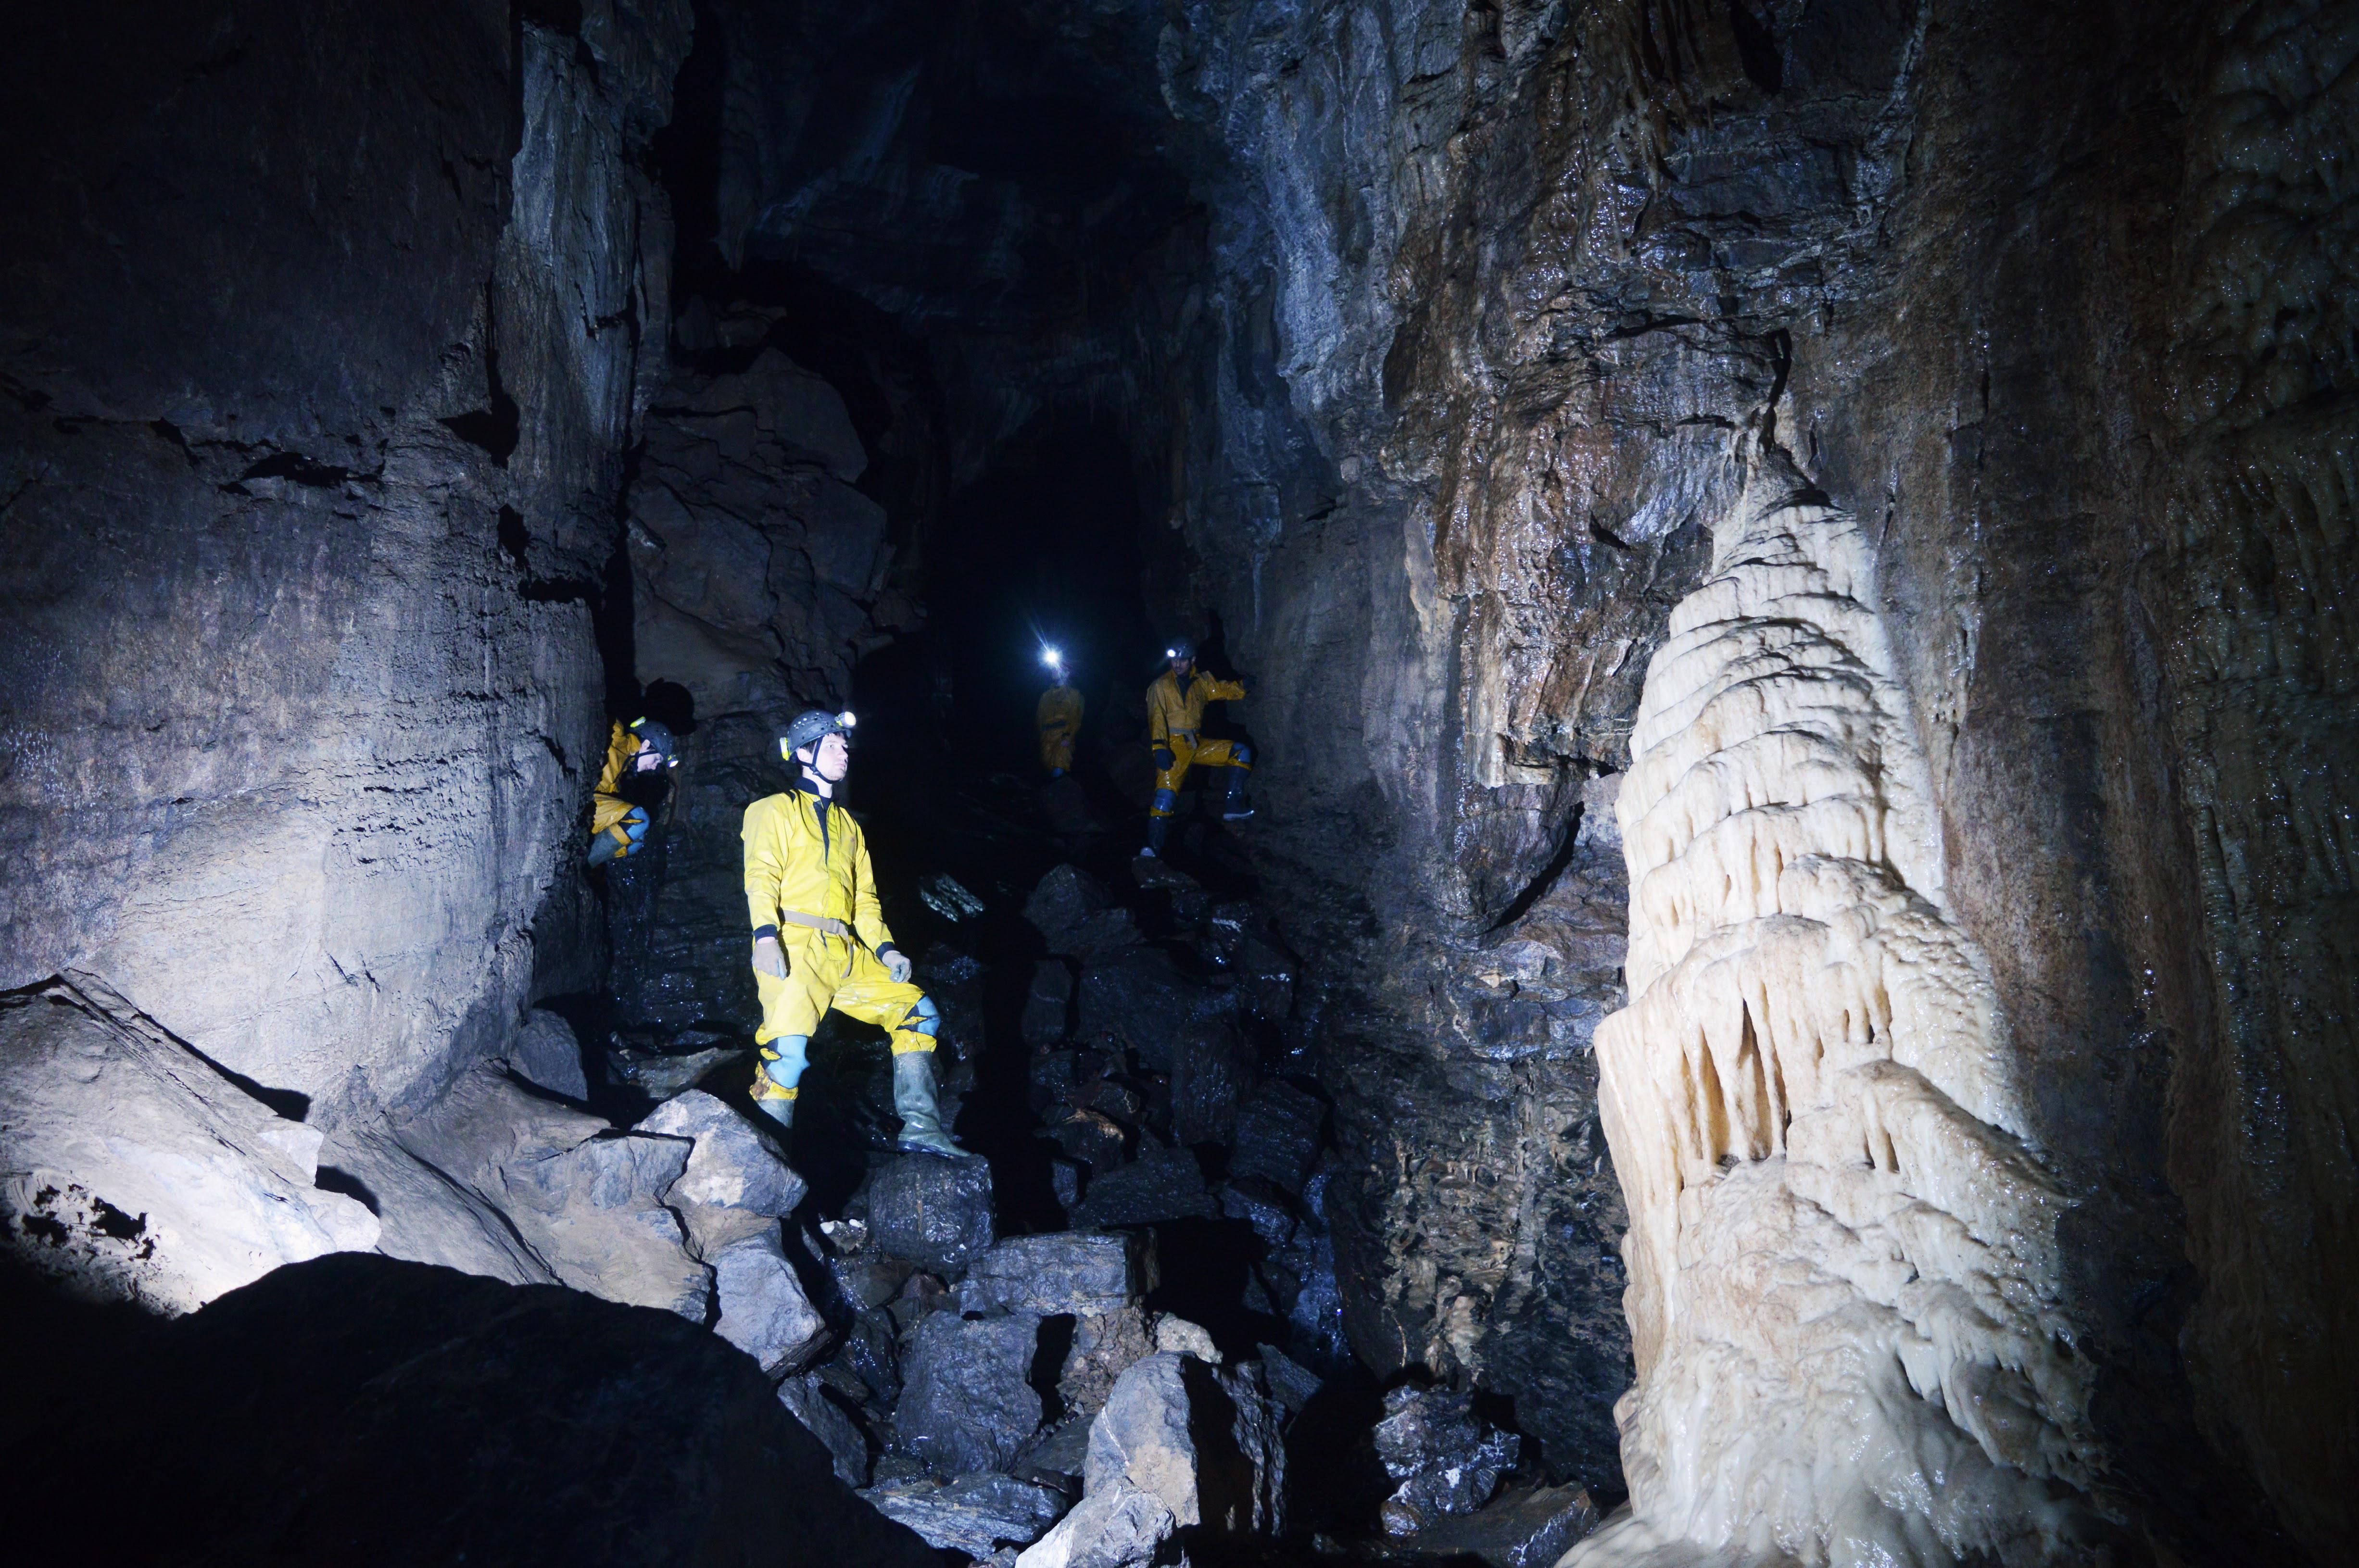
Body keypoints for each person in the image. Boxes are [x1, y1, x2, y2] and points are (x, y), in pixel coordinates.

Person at [741, 708, 971, 1158]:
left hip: (844, 949)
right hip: (794, 944)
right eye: (831, 745)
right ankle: (763, 1162)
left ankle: (922, 1128)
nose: (843, 752)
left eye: (844, 745)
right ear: (804, 753)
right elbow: (760, 876)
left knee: (916, 1011)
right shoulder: (772, 809)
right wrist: (765, 936)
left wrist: (885, 949)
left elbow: (864, 899)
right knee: (786, 1054)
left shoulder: (849, 826)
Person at [1141, 637, 1253, 858]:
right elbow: (1156, 717)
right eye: (1175, 660)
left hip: (1196, 743)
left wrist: (1242, 686)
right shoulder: (1160, 686)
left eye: (1183, 660)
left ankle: (1233, 806)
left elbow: (1222, 690)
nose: (1178, 664)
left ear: (1192, 660)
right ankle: (1152, 849)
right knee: (1165, 797)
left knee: (1242, 752)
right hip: (1173, 746)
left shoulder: (1202, 682)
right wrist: (1160, 747)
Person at [589, 716, 678, 865]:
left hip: (592, 807)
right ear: (646, 744)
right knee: (639, 819)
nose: (654, 767)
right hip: (586, 804)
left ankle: (586, 860)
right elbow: (612, 724)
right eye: (656, 759)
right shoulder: (620, 741)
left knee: (637, 841)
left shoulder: (625, 764)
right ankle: (585, 862)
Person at [1036, 647, 1084, 778]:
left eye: (1058, 668)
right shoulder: (1045, 696)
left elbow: (1075, 718)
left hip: (1063, 738)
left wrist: (1068, 737)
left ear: (1067, 673)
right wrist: (1042, 737)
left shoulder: (1075, 695)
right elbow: (1039, 719)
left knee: (1059, 768)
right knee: (1047, 770)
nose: (1054, 670)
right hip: (1047, 738)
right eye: (1053, 668)